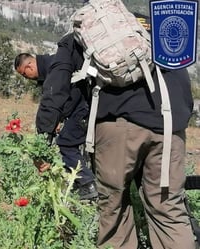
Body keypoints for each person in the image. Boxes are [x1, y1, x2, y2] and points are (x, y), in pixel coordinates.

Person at [27, 27, 196, 247]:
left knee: (113, 208)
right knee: (169, 209)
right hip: (169, 124)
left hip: (117, 125)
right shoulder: (147, 26)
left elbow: (56, 85)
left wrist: (43, 137)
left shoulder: (84, 31)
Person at [14, 53, 97, 201]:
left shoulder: (54, 66)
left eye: (24, 74)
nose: (26, 78)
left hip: (82, 107)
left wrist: (49, 130)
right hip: (79, 107)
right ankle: (78, 183)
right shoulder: (50, 66)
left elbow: (62, 97)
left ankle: (88, 183)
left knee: (65, 144)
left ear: (29, 66)